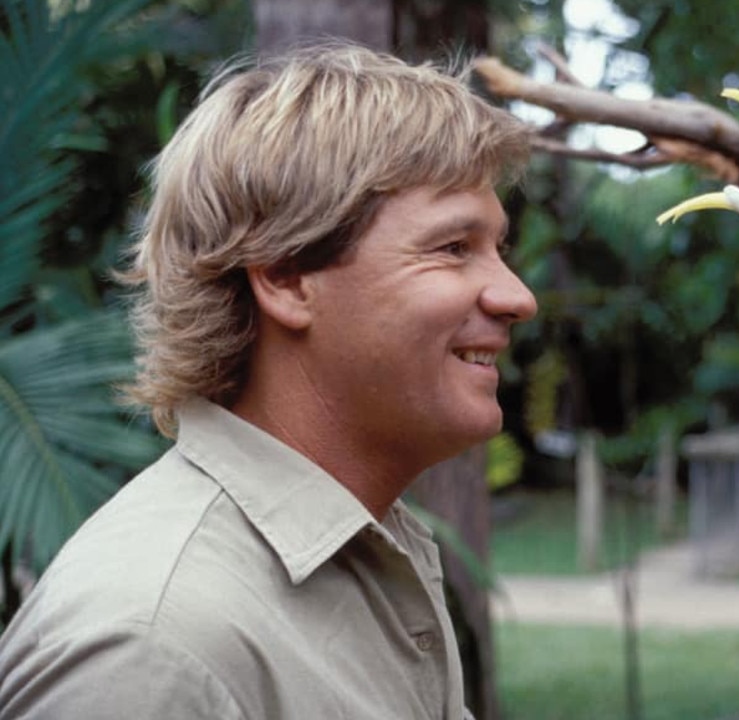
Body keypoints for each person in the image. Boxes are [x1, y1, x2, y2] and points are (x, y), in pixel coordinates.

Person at [0, 41, 537, 719]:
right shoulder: (154, 646)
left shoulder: (366, 559)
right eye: (452, 248)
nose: (517, 295)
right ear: (284, 277)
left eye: (498, 249)